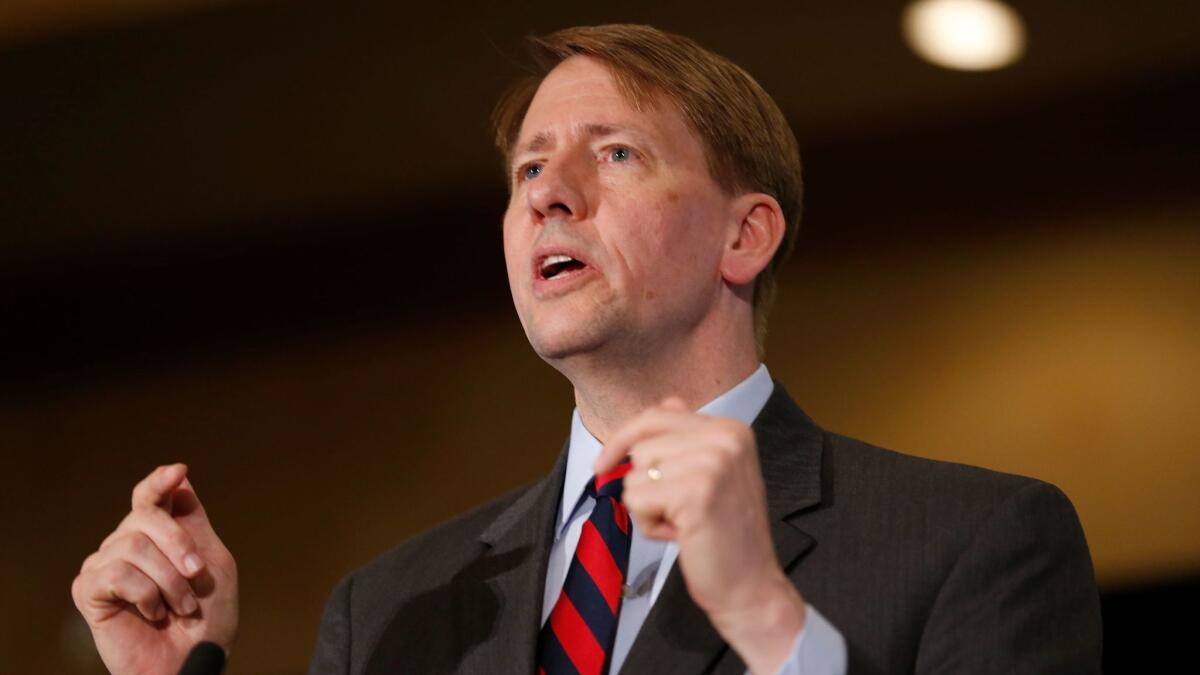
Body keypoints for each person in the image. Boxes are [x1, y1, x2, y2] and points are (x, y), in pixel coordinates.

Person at [71, 24, 1102, 675]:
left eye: (615, 153)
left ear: (744, 235)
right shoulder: (389, 610)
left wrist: (763, 616)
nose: (550, 195)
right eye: (528, 171)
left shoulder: (977, 542)